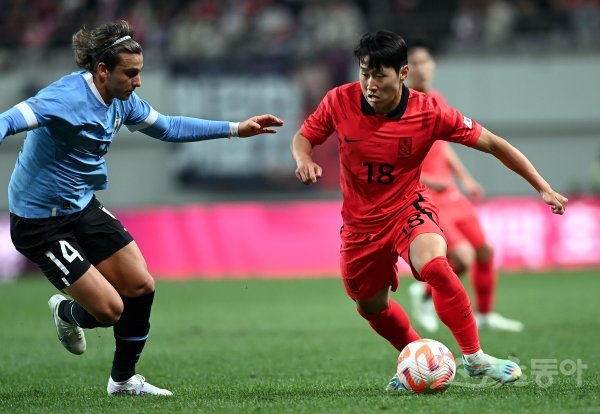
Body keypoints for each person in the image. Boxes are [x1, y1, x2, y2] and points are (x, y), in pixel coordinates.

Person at [0, 20, 283, 397]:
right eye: (130, 73)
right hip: (40, 221)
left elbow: (168, 127)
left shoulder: (123, 101)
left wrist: (235, 128)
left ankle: (123, 381)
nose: (138, 81)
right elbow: (9, 121)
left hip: (81, 206)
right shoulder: (64, 97)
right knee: (109, 311)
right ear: (103, 70)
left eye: (140, 72)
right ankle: (66, 312)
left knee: (141, 285)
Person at [291, 30, 567, 392]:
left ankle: (475, 358)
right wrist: (304, 159)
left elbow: (494, 144)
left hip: (408, 208)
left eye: (380, 75)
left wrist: (543, 187)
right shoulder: (339, 100)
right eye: (364, 73)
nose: (370, 84)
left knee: (437, 264)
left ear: (402, 74)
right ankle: (419, 358)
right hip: (360, 227)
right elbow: (305, 136)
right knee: (370, 306)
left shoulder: (429, 110)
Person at [406, 41, 524, 333]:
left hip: (450, 193)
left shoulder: (437, 100)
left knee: (484, 250)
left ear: (433, 65)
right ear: (404, 70)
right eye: (415, 63)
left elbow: (443, 146)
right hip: (425, 197)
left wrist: (465, 177)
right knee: (462, 257)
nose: (422, 68)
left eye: (425, 61)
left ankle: (485, 315)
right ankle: (424, 294)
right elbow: (395, 161)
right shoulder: (401, 107)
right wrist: (428, 179)